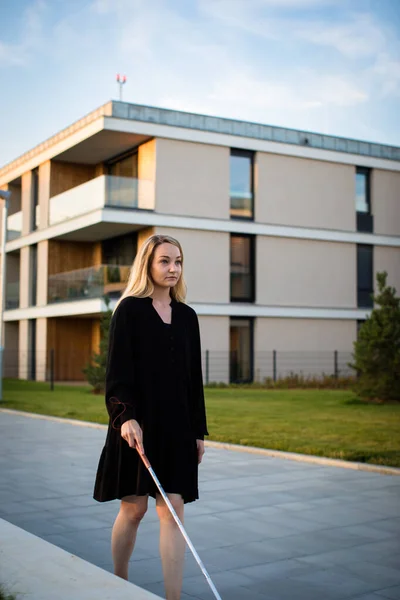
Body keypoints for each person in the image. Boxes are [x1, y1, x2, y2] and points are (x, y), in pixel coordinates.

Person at [93, 234, 208, 600]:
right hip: (136, 424)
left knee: (173, 508)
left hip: (177, 427)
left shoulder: (188, 317)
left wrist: (198, 432)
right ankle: (118, 581)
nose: (173, 268)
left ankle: (173, 598)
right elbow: (117, 374)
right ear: (148, 264)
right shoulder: (129, 310)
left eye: (178, 261)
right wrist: (125, 416)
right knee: (134, 508)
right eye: (165, 261)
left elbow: (194, 381)